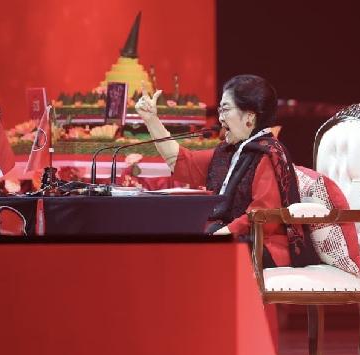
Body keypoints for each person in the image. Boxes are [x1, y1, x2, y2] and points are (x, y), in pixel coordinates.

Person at [135, 74, 318, 268]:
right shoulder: (230, 151)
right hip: (230, 237)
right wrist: (151, 120)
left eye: (226, 109)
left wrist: (219, 235)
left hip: (263, 245)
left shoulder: (268, 154)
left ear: (249, 117)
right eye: (220, 110)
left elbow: (264, 216)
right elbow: (180, 161)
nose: (220, 118)